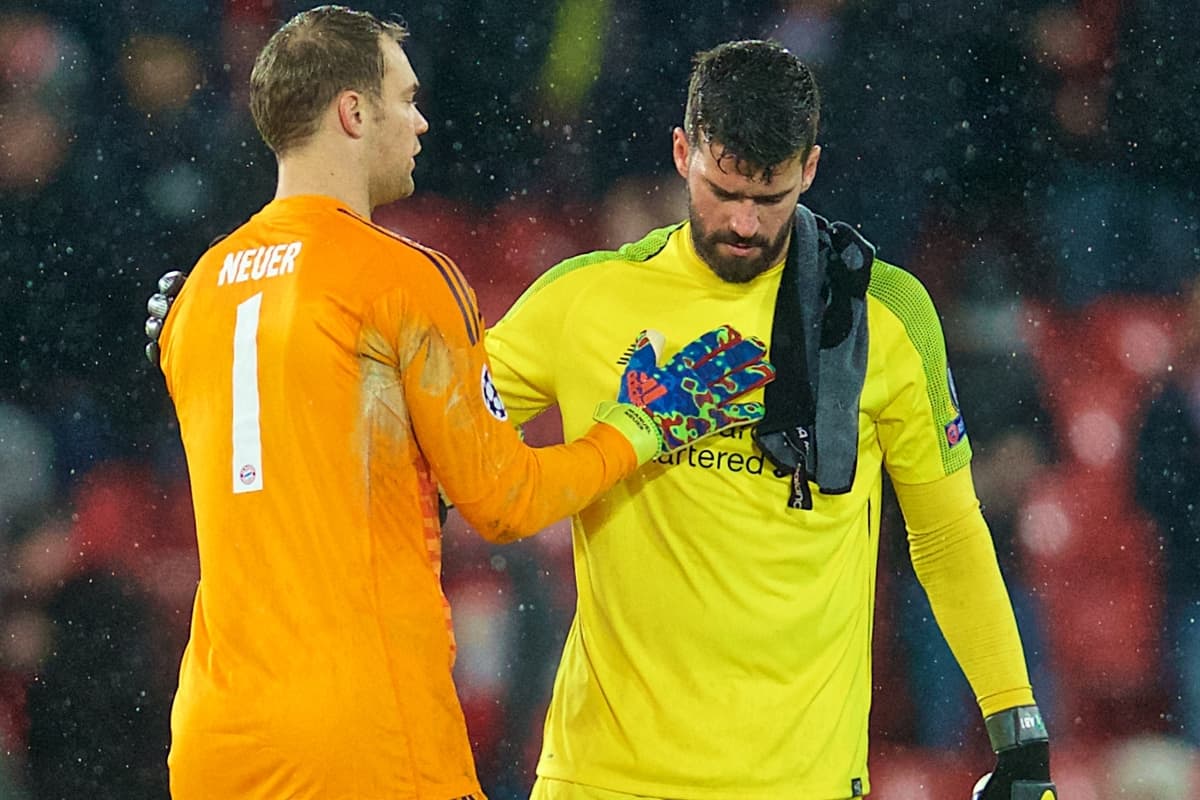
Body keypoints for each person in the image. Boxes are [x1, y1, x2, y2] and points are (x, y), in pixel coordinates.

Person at [147, 35, 1055, 800]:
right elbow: (409, 445)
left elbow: (946, 537)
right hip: (599, 778)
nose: (741, 221)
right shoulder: (582, 304)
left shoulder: (885, 314)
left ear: (811, 169)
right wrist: (246, 331)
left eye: (770, 197)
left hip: (802, 782)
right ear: (679, 154)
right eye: (721, 188)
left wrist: (1016, 730)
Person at [146, 7, 775, 800]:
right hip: (364, 729)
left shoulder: (196, 294)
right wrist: (646, 423)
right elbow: (507, 501)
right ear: (351, 113)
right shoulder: (403, 279)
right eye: (405, 99)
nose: (421, 119)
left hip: (213, 736)